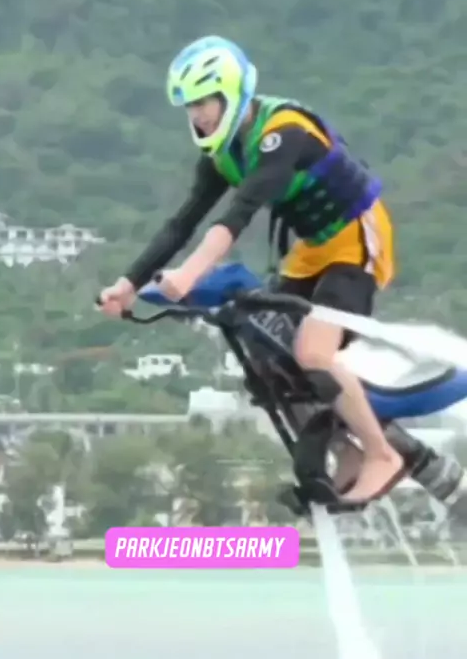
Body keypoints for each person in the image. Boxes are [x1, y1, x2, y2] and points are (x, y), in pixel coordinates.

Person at [98, 35, 404, 503]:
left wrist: (188, 276)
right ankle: (346, 450)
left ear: (232, 93)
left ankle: (383, 455)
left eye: (205, 101)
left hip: (357, 237)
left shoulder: (283, 133)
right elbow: (181, 224)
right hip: (313, 249)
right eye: (190, 106)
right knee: (266, 353)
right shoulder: (222, 155)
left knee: (313, 352)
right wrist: (127, 284)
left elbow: (238, 215)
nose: (198, 115)